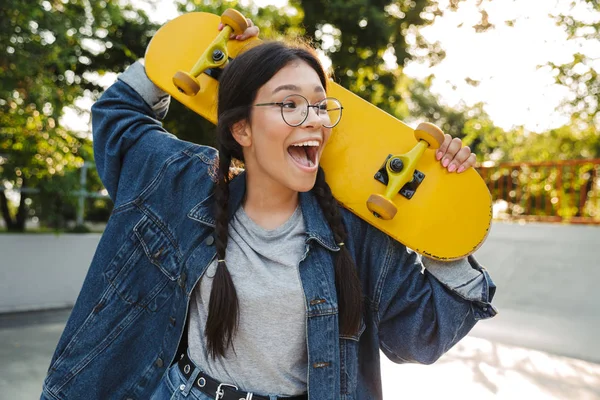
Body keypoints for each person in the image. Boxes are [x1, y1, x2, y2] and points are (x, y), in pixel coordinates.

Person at [41, 17, 496, 400]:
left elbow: (420, 337)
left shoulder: (356, 234)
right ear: (242, 128)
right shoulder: (182, 182)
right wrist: (187, 48)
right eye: (291, 104)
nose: (315, 120)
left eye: (321, 106)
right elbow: (118, 115)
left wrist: (444, 214)